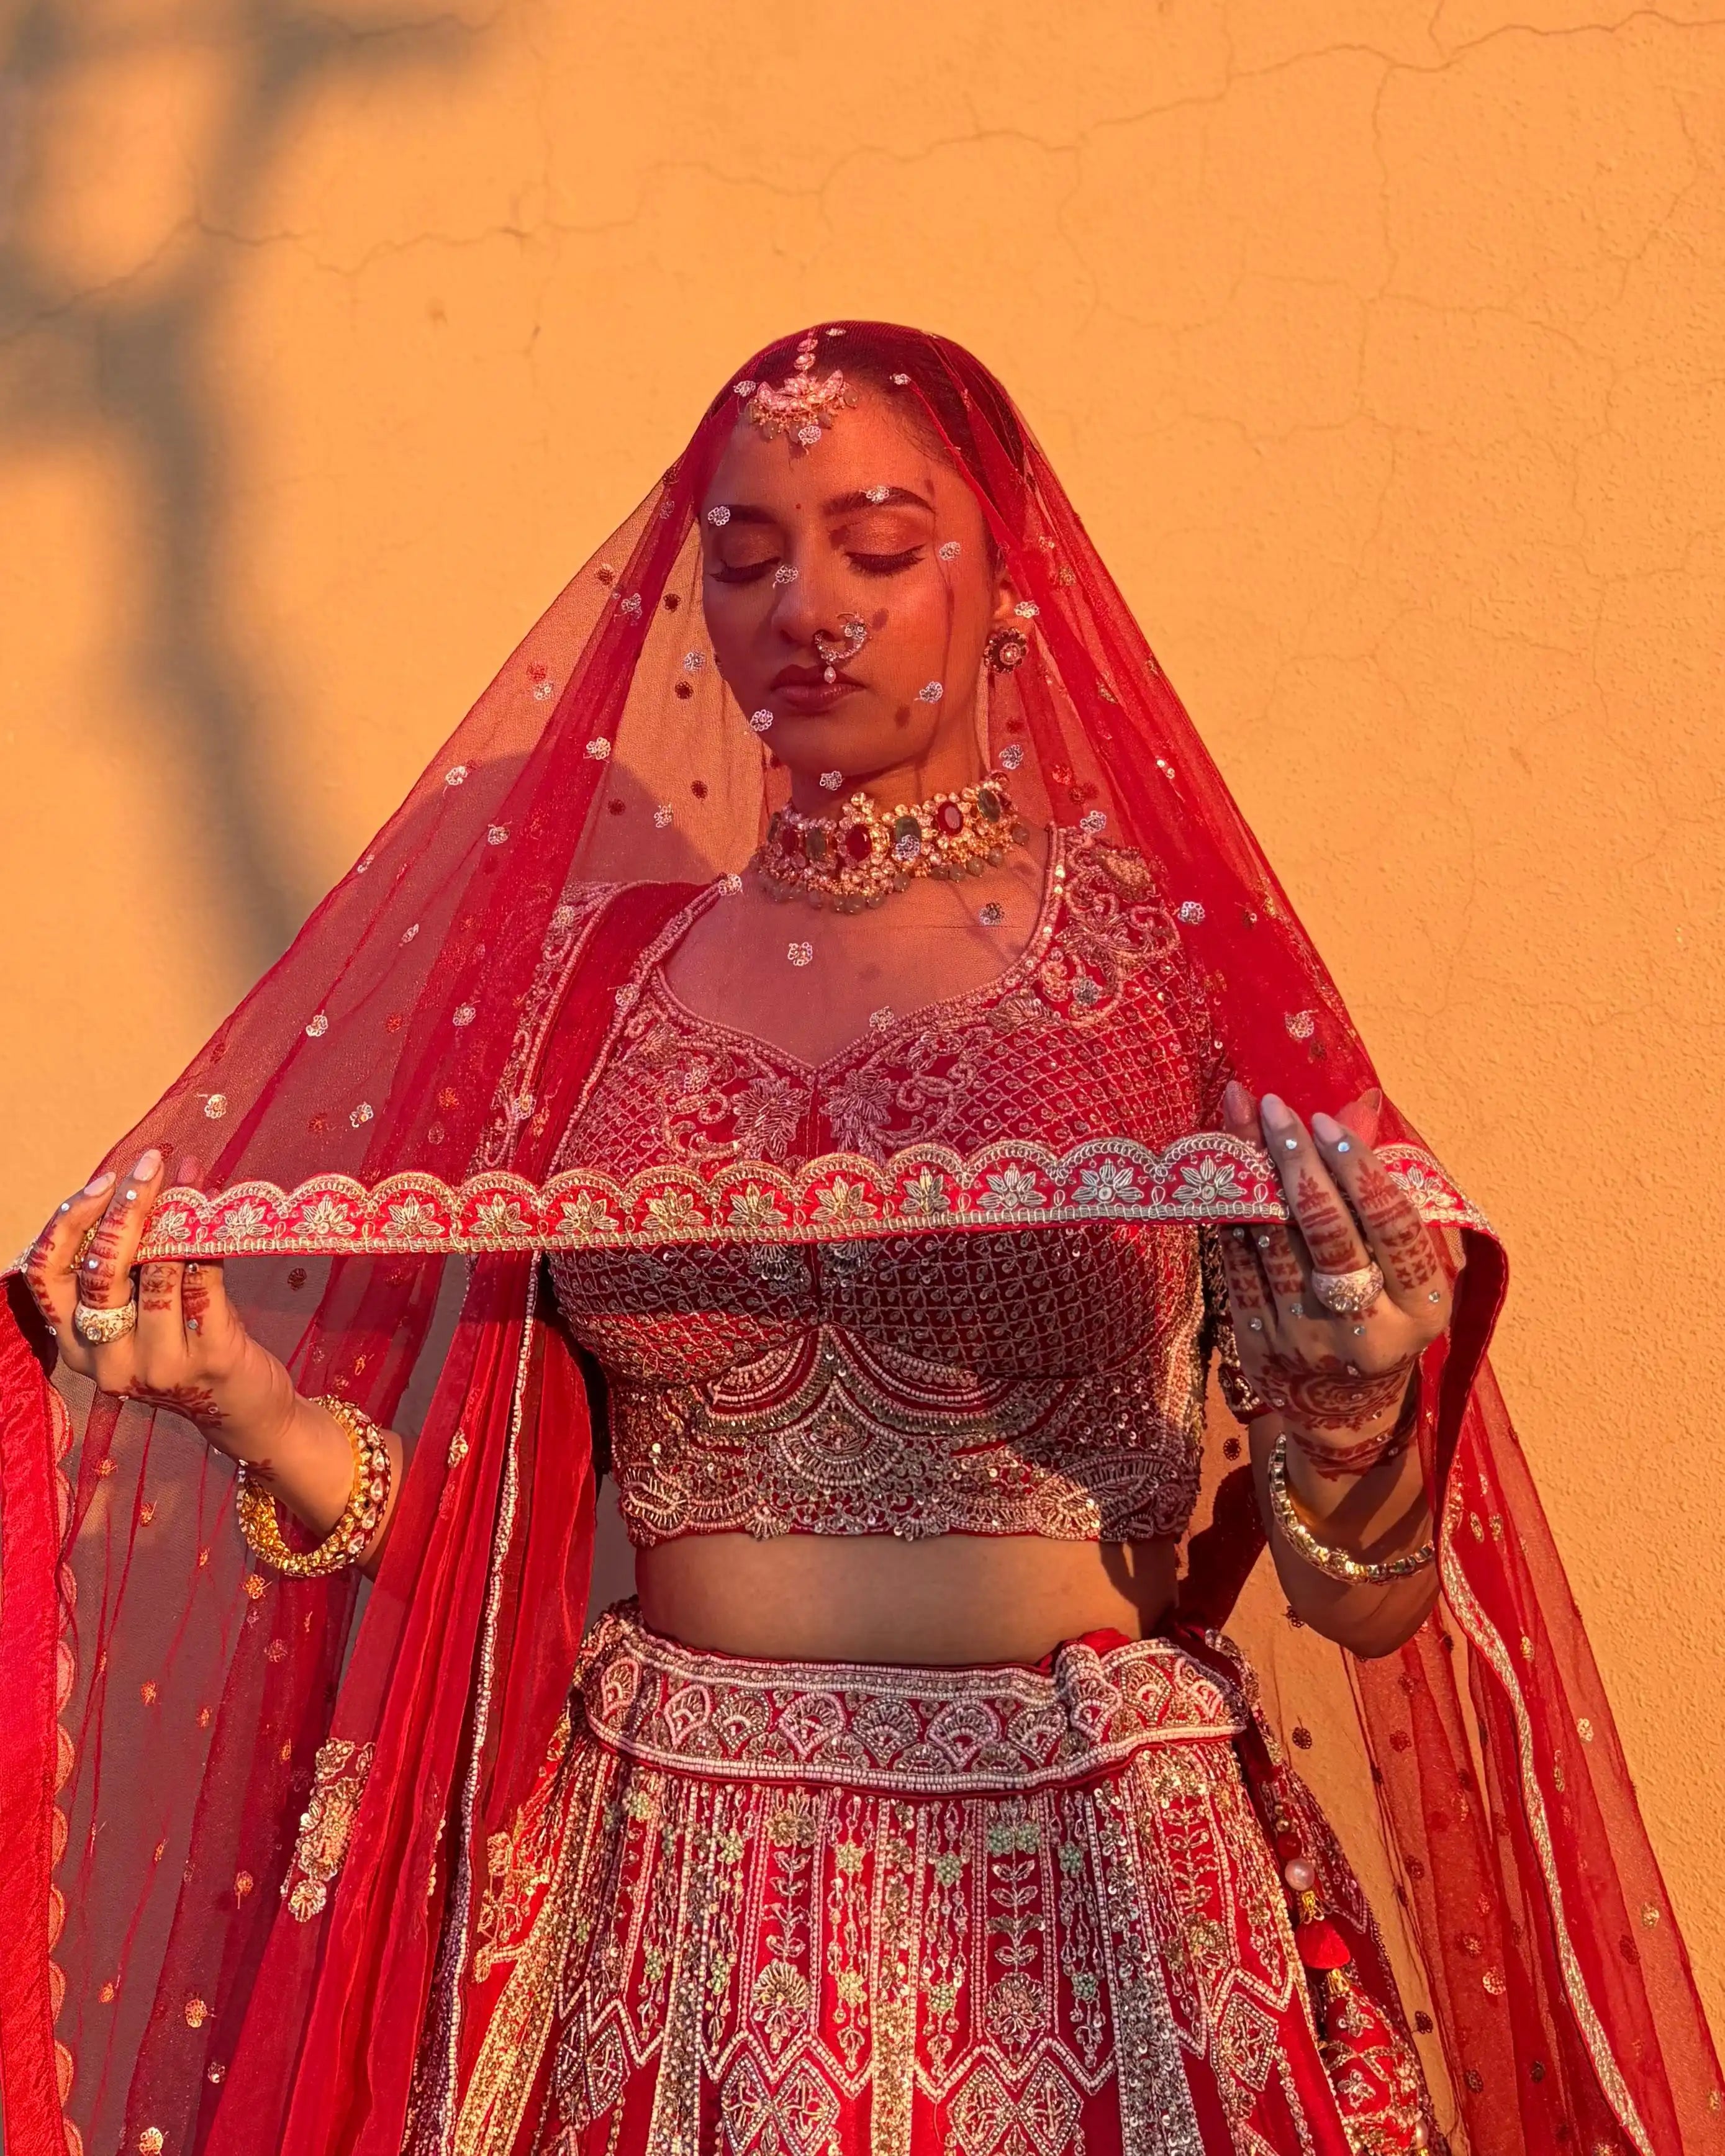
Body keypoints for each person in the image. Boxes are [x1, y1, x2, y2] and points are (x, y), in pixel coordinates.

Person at [1, 323, 1716, 2156]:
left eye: (878, 548)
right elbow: (495, 1548)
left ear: (1007, 596)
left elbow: (1361, 1598)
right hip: (666, 1906)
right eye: (744, 559)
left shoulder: (1153, 967)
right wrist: (242, 1400)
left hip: (1087, 1886)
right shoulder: (601, 989)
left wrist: (1358, 1397)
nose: (805, 602)